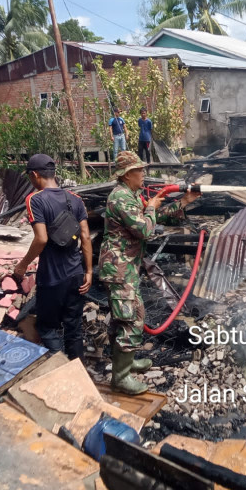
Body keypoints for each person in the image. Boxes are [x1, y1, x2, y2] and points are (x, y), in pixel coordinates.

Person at [99, 152, 200, 394]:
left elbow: (156, 217)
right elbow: (145, 229)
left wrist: (184, 202)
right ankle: (120, 378)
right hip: (119, 267)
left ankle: (126, 362)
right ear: (126, 174)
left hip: (127, 266)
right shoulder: (121, 198)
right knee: (131, 318)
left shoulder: (132, 195)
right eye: (139, 170)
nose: (143, 174)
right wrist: (152, 207)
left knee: (125, 315)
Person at [14, 154, 93, 360]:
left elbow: (41, 239)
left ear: (34, 175)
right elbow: (85, 237)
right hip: (76, 274)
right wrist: (89, 272)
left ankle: (60, 369)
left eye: (30, 178)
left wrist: (22, 266)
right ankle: (78, 372)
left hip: (51, 279)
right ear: (54, 173)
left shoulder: (35, 200)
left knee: (47, 327)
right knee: (73, 327)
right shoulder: (75, 199)